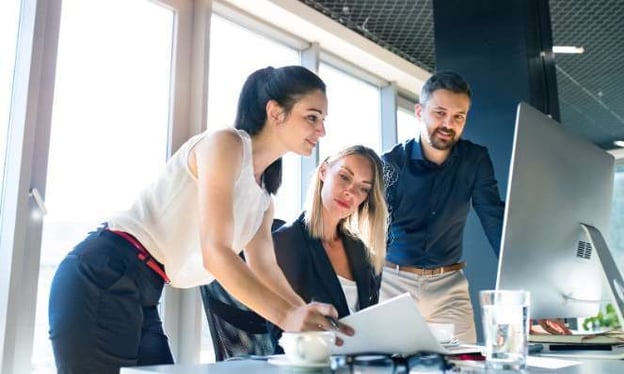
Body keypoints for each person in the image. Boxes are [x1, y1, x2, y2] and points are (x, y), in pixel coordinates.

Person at [48, 65, 352, 373]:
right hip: (104, 272)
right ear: (275, 112)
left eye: (323, 121)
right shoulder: (226, 144)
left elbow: (264, 268)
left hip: (145, 289)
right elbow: (215, 253)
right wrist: (287, 318)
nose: (322, 131)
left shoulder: (263, 198)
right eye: (312, 117)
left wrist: (305, 314)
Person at [380, 71, 505, 343]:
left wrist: (518, 273)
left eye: (458, 116)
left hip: (449, 286)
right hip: (393, 283)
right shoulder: (391, 163)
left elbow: (493, 218)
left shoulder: (475, 159)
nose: (448, 123)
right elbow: (376, 230)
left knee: (465, 367)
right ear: (419, 112)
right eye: (440, 113)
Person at [270, 145, 388, 349]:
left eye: (363, 188)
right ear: (324, 171)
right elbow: (279, 332)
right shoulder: (285, 243)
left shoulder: (360, 250)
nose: (350, 192)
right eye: (344, 177)